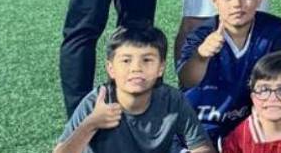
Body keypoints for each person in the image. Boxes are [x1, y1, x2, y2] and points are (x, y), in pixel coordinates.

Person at [177, 0, 281, 141]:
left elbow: (276, 83)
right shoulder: (201, 35)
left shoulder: (274, 30)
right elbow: (187, 80)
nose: (237, 3)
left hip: (248, 129)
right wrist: (201, 56)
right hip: (199, 128)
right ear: (214, 0)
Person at [55, 25, 213, 153]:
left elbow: (201, 147)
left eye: (147, 60)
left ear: (161, 68)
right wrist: (91, 124)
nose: (136, 68)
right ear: (111, 69)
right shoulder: (97, 103)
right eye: (126, 60)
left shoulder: (172, 100)